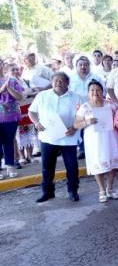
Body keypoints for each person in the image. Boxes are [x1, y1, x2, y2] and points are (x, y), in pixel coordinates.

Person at [28, 72, 81, 202]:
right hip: (48, 137)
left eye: (61, 80)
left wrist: (74, 127)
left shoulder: (77, 97)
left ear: (67, 83)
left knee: (72, 167)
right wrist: (36, 122)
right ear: (52, 82)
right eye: (55, 80)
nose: (58, 83)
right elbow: (31, 111)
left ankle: (73, 191)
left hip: (69, 138)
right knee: (47, 167)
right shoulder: (42, 95)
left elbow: (82, 116)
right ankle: (48, 192)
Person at [71, 81, 118, 202]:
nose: (95, 92)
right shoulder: (84, 107)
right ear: (88, 93)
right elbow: (76, 124)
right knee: (97, 163)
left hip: (111, 138)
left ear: (102, 91)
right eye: (92, 90)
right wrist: (87, 122)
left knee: (112, 163)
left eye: (98, 90)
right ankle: (102, 190)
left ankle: (110, 188)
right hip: (94, 141)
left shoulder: (111, 105)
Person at [0, 60, 24, 179]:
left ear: (3, 65)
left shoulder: (12, 80)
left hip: (11, 116)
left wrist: (8, 88)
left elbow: (20, 97)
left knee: (9, 141)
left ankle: (10, 165)